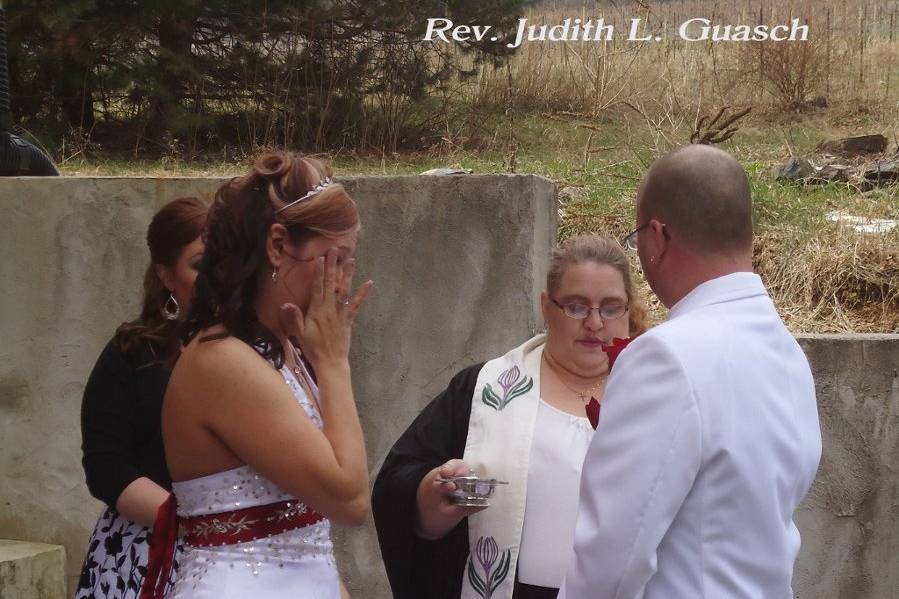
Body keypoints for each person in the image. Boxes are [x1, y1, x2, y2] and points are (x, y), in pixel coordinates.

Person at [559, 145, 822, 598]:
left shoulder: (666, 357)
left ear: (658, 238)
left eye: (636, 236)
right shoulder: (786, 353)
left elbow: (610, 562)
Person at [139, 152, 373, 599]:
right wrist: (335, 365)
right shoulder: (223, 361)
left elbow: (306, 531)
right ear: (278, 245)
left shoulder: (281, 349)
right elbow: (349, 499)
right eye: (335, 259)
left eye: (350, 262)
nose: (342, 284)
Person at [372, 234, 648, 599]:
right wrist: (435, 496)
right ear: (547, 308)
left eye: (611, 307)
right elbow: (396, 484)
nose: (595, 323)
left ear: (628, 311)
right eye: (577, 307)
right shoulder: (481, 390)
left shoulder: (657, 397)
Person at [76, 197, 208, 599]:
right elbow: (106, 466)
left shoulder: (262, 352)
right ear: (167, 276)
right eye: (200, 264)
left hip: (244, 554)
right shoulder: (131, 354)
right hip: (144, 555)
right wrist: (193, 526)